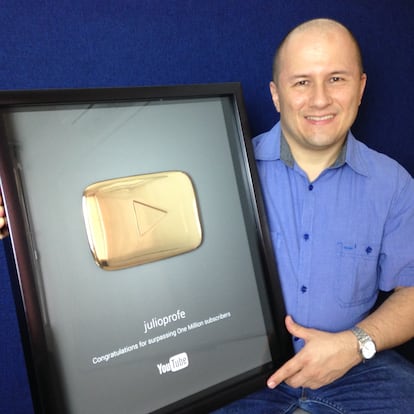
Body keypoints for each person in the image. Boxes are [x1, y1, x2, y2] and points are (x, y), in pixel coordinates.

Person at [213, 18, 414, 413]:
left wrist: (353, 344)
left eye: (336, 79)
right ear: (275, 94)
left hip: (356, 366)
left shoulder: (394, 185)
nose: (320, 99)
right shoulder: (225, 170)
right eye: (302, 82)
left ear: (360, 87)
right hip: (242, 375)